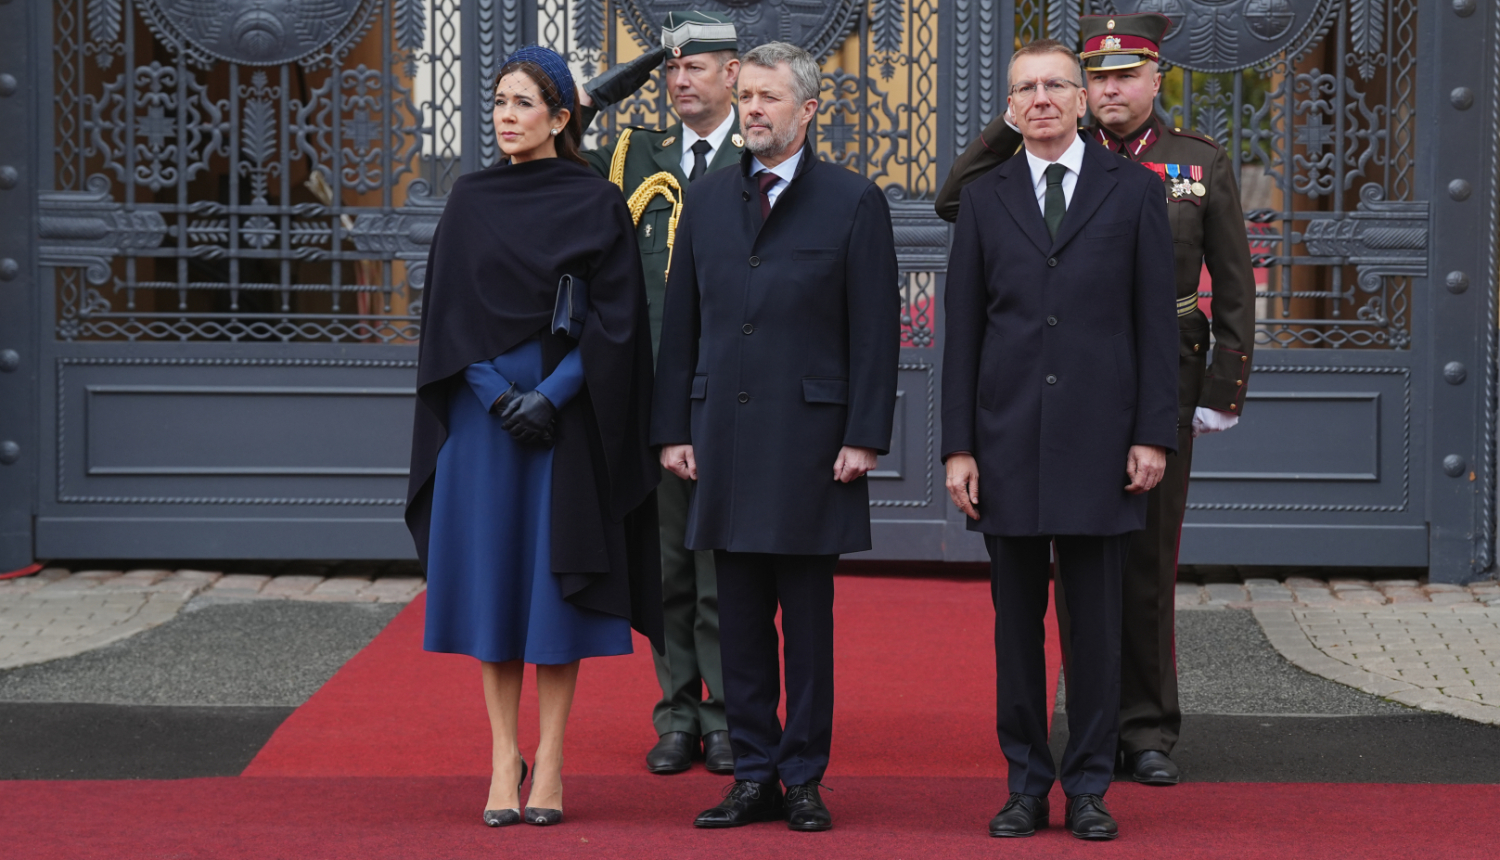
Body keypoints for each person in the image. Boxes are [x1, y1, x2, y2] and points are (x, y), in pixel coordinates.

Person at [934, 12, 1257, 786]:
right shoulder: (1023, 162)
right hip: (1034, 400)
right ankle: (1087, 727)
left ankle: (1144, 728)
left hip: (1152, 382)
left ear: (1153, 81)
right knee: (1060, 577)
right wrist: (1014, 123)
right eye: (1098, 76)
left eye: (1122, 77)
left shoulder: (1191, 163)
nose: (1110, 89)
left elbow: (1233, 281)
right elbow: (957, 205)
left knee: (1139, 567)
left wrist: (1223, 389)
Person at [405, 45, 663, 830]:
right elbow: (445, 318)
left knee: (554, 593)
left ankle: (550, 759)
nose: (507, 117)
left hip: (564, 417)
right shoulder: (470, 200)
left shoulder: (596, 201)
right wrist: (496, 396)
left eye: (523, 104)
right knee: (494, 590)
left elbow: (619, 322)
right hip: (486, 428)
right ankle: (499, 759)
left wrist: (550, 396)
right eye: (500, 102)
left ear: (560, 117)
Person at [651, 41, 899, 832]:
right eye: (747, 94)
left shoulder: (853, 201)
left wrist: (865, 434)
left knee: (808, 625)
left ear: (808, 109)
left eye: (769, 98)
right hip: (722, 436)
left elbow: (877, 332)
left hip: (812, 444)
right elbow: (682, 328)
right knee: (741, 621)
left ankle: (802, 777)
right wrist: (672, 430)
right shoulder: (708, 198)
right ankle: (751, 772)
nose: (753, 109)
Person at [940, 38, 1177, 840]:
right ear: (1009, 109)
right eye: (1025, 89)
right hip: (1005, 444)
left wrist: (1152, 434)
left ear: (1082, 101)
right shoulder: (984, 198)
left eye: (1055, 86)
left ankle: (1088, 787)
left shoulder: (1136, 191)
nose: (1040, 99)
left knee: (1098, 628)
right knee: (1015, 630)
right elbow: (963, 331)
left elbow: (1155, 325)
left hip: (1101, 443)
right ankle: (1024, 784)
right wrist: (957, 447)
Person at [574, 10, 746, 777]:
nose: (679, 81)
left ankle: (730, 715)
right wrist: (608, 88)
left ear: (733, 74)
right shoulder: (632, 154)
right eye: (670, 70)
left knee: (726, 569)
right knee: (671, 564)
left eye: (694, 68)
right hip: (656, 395)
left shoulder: (762, 147)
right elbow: (560, 147)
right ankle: (677, 710)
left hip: (737, 395)